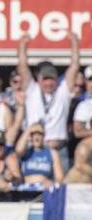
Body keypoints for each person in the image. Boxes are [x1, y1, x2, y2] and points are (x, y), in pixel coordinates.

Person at [17, 32, 80, 174]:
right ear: (39, 80)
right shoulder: (32, 90)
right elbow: (22, 67)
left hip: (59, 149)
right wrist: (23, 46)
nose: (49, 82)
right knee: (33, 191)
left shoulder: (63, 91)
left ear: (56, 79)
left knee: (60, 191)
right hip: (34, 149)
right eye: (45, 79)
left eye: (51, 79)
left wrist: (74, 45)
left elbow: (75, 66)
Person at [15, 122, 64, 189]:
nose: (37, 137)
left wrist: (52, 183)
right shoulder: (26, 151)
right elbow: (18, 150)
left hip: (44, 191)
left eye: (39, 134)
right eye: (34, 134)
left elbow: (60, 177)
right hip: (26, 190)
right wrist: (29, 129)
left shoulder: (52, 152)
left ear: (43, 135)